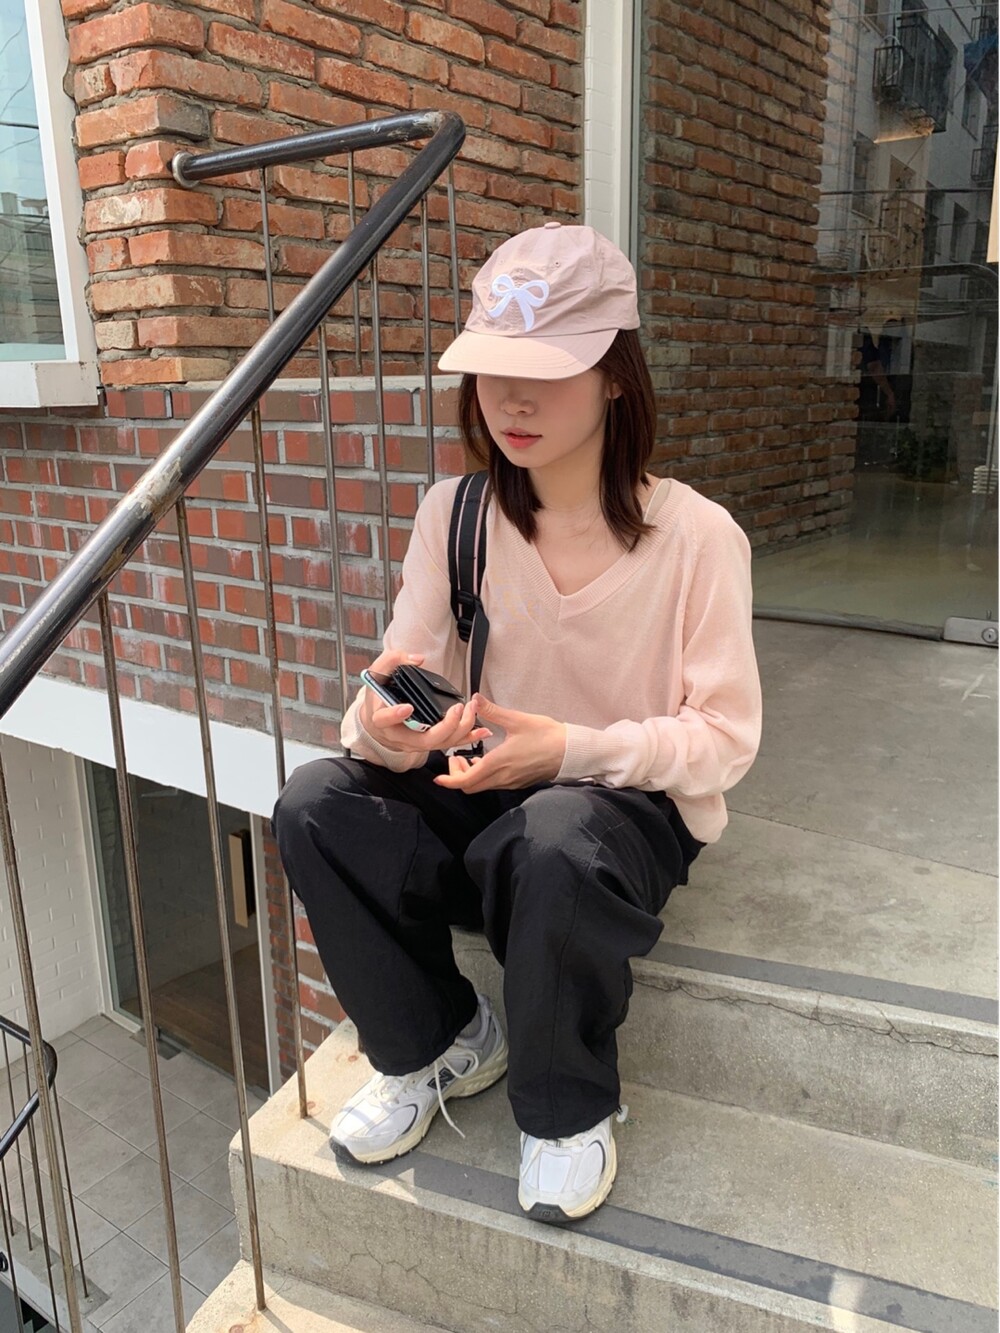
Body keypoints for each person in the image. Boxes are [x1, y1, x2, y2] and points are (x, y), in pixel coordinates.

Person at [272, 222, 762, 1225]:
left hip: (618, 811)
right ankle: (440, 1041)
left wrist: (572, 751)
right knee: (316, 801)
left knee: (555, 832)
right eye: (493, 369)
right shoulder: (453, 515)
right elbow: (403, 673)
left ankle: (567, 1106)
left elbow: (723, 738)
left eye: (547, 369)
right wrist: (382, 730)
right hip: (485, 789)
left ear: (616, 374)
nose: (512, 399)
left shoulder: (698, 538)